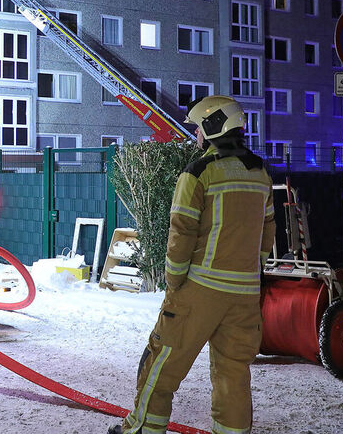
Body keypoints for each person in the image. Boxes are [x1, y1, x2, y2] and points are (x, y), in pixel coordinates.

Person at [111, 96, 276, 434]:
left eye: (199, 128)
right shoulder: (260, 173)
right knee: (233, 374)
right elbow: (267, 231)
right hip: (245, 295)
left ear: (213, 127)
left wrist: (174, 283)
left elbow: (182, 231)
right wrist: (253, 275)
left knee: (162, 365)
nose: (196, 135)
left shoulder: (199, 172)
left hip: (200, 290)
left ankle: (142, 429)